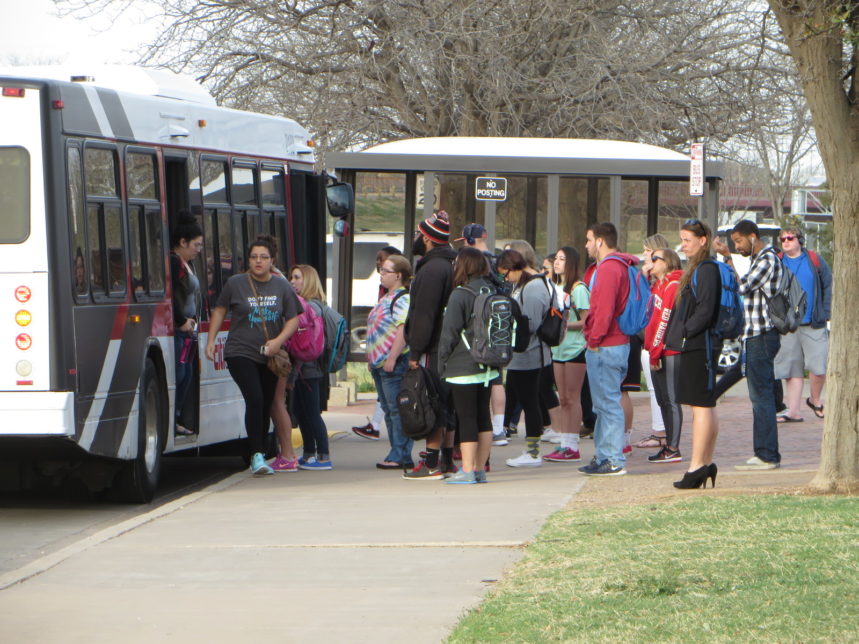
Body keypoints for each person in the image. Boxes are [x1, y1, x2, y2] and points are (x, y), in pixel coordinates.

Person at [205, 236, 301, 476]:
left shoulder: (281, 286)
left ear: (272, 261)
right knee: (255, 399)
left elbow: (293, 319)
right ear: (248, 260)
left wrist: (278, 342)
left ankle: (261, 452)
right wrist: (211, 340)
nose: (258, 261)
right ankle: (256, 455)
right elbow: (219, 310)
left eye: (264, 257)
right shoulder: (236, 283)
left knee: (266, 402)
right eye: (254, 257)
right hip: (240, 351)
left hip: (270, 355)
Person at [714, 220, 783, 471]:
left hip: (762, 334)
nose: (737, 246)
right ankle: (710, 394)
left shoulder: (767, 259)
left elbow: (743, 286)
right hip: (753, 335)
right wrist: (729, 257)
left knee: (760, 396)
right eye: (735, 243)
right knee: (746, 380)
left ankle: (767, 455)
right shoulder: (760, 259)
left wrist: (728, 260)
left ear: (753, 237)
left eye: (739, 241)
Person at [664, 219, 722, 488]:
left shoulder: (707, 269)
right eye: (682, 239)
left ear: (703, 241)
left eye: (688, 240)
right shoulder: (699, 268)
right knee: (704, 404)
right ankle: (704, 463)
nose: (683, 245)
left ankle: (697, 465)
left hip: (701, 344)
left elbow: (705, 309)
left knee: (701, 405)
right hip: (698, 343)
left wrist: (686, 331)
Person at [403, 211, 458, 480]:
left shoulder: (432, 269)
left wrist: (415, 350)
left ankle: (432, 463)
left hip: (435, 347)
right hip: (455, 347)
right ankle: (447, 460)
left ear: (426, 238)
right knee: (447, 405)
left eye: (417, 233)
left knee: (432, 401)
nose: (415, 237)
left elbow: (424, 314)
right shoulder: (454, 263)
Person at [578, 222, 634, 477]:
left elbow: (604, 309)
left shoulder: (610, 268)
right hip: (610, 343)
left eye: (589, 240)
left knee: (608, 404)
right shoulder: (614, 266)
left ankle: (613, 459)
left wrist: (594, 338)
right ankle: (604, 456)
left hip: (607, 344)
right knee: (602, 405)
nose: (587, 245)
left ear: (600, 241)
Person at [438, 247, 497, 483]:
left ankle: (468, 470)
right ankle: (480, 469)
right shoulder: (492, 290)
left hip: (464, 365)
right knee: (483, 416)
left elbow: (449, 332)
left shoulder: (460, 294)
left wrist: (442, 362)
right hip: (489, 365)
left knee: (467, 417)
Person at [498, 249, 554, 468]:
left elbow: (529, 324)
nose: (506, 279)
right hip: (525, 354)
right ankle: (532, 449)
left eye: (506, 274)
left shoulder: (533, 288)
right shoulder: (529, 285)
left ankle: (533, 452)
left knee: (530, 402)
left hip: (529, 354)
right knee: (527, 400)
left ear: (515, 268)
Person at [456, 224, 509, 446]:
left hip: (476, 327)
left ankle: (487, 430)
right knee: (496, 378)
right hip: (498, 324)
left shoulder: (473, 261)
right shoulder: (497, 260)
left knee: (476, 391)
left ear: (469, 240)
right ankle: (499, 427)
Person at [773, 227, 832, 422]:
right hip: (788, 324)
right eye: (783, 239)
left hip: (813, 322)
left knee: (819, 367)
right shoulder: (778, 261)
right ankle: (793, 411)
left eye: (790, 238)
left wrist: (825, 311)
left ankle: (815, 399)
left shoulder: (814, 260)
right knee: (791, 369)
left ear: (800, 240)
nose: (786, 241)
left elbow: (827, 284)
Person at [366, 254, 414, 470]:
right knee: (389, 408)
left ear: (399, 275)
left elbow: (402, 330)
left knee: (397, 410)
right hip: (380, 364)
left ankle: (400, 453)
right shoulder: (387, 297)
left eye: (386, 271)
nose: (382, 274)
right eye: (381, 270)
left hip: (393, 363)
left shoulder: (401, 298)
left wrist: (392, 357)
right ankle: (398, 452)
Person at [353, 245, 402, 441]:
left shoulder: (399, 296)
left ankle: (395, 443)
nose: (378, 265)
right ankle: (375, 425)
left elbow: (400, 326)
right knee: (386, 397)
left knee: (392, 401)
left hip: (389, 352)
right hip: (379, 353)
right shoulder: (383, 289)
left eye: (382, 261)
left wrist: (391, 355)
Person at [545, 246, 589, 463]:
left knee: (573, 397)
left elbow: (586, 320)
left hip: (574, 348)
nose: (557, 262)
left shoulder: (578, 289)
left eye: (562, 259)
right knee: (562, 398)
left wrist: (564, 325)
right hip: (557, 349)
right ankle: (564, 443)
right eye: (556, 258)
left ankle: (572, 444)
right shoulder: (554, 287)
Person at [289, 264, 335, 470]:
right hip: (304, 367)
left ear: (307, 280)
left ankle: (323, 456)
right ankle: (309, 453)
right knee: (301, 410)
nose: (292, 281)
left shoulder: (311, 307)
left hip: (309, 367)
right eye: (291, 277)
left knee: (312, 412)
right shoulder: (311, 305)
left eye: (297, 277)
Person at [643, 248, 683, 463]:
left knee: (671, 399)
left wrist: (656, 351)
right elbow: (650, 316)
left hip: (669, 349)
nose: (651, 262)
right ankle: (668, 445)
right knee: (662, 400)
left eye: (655, 259)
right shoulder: (657, 285)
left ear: (667, 262)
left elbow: (664, 320)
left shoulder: (673, 285)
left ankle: (674, 447)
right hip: (656, 349)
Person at [632, 233, 671, 450]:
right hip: (646, 337)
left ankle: (661, 432)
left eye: (648, 251)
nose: (644, 255)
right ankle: (660, 429)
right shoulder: (647, 277)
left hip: (656, 338)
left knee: (659, 388)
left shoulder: (663, 280)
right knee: (656, 387)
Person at [170, 213, 204, 437]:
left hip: (189, 330)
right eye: (196, 245)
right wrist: (181, 321)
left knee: (188, 374)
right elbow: (170, 294)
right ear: (182, 242)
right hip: (180, 330)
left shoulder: (186, 263)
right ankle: (174, 418)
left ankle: (178, 416)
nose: (198, 249)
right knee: (181, 374)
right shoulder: (174, 263)